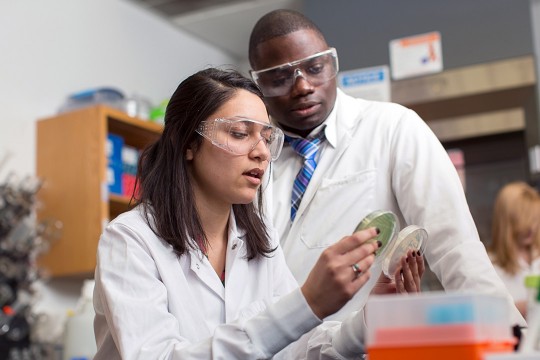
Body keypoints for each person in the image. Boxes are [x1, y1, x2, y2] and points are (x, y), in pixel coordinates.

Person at [92, 68, 422, 359]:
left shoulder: (258, 240)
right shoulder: (130, 241)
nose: (262, 152)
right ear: (187, 143)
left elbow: (299, 349)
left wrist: (371, 320)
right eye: (240, 133)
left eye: (266, 137)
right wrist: (306, 302)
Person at [247, 9, 525, 325]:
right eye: (280, 79)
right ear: (258, 85)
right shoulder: (254, 157)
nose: (302, 87)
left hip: (370, 345)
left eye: (315, 68)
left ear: (332, 64)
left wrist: (510, 337)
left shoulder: (393, 127)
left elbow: (456, 249)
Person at [488, 181, 540, 318]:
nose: (531, 228)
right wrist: (519, 308)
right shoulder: (489, 267)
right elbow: (486, 314)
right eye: (523, 220)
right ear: (507, 222)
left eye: (534, 219)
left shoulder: (536, 257)